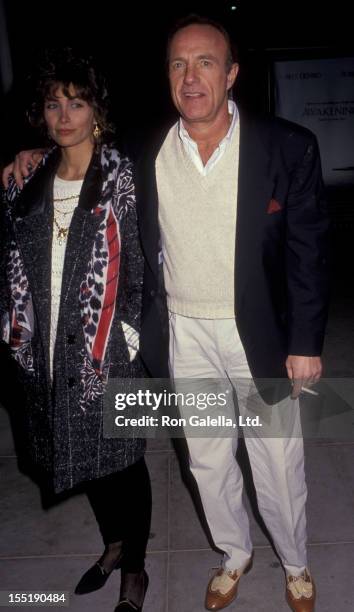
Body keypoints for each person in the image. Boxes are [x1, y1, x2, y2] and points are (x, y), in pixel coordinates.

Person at [3, 15, 330, 612]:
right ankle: (234, 555)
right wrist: (32, 154)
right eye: (179, 64)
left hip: (259, 334)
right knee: (207, 459)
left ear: (231, 74)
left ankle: (297, 563)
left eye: (206, 62)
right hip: (183, 331)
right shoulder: (141, 151)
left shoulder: (287, 145)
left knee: (277, 461)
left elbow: (309, 251)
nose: (191, 76)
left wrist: (306, 340)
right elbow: (78, 151)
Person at [0, 48, 150, 612]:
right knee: (80, 459)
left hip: (107, 350)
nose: (64, 115)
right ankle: (113, 543)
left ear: (97, 112)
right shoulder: (27, 178)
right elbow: (11, 260)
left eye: (77, 102)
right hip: (46, 352)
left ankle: (134, 569)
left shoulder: (122, 175)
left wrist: (127, 340)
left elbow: (142, 263)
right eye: (53, 103)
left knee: (124, 464)